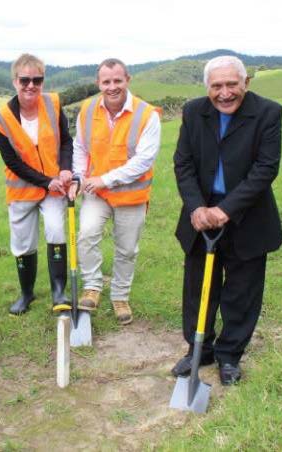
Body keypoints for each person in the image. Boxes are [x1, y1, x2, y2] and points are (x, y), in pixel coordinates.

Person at [172, 55, 282, 385]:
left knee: (242, 290)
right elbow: (184, 164)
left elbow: (265, 168)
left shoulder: (268, 113)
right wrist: (196, 208)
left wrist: (226, 210)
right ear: (207, 87)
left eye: (232, 85)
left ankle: (230, 355)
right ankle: (199, 349)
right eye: (217, 86)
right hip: (200, 215)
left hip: (247, 215)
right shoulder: (194, 112)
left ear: (246, 83)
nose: (224, 93)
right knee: (197, 288)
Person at [69, 58, 161, 325]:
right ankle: (93, 287)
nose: (112, 87)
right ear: (99, 83)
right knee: (86, 234)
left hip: (130, 196)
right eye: (106, 82)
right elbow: (80, 148)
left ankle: (120, 296)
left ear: (127, 80)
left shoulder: (147, 115)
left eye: (117, 81)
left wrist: (104, 180)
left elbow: (143, 161)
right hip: (97, 193)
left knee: (127, 249)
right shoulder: (87, 109)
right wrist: (78, 177)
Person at [0, 53, 74, 315]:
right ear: (15, 81)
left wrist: (64, 170)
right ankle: (26, 294)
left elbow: (66, 142)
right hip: (22, 191)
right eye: (25, 80)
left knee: (56, 231)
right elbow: (12, 162)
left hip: (55, 189)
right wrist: (46, 181)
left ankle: (58, 291)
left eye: (37, 80)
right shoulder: (1, 117)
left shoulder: (53, 104)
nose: (31, 85)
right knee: (23, 244)